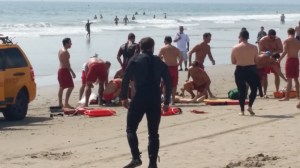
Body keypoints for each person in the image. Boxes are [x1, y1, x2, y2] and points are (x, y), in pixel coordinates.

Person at [120, 37, 172, 168]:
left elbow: (125, 79)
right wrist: (166, 101)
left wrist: (124, 98)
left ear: (140, 47)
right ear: (153, 47)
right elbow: (168, 82)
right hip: (155, 98)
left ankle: (136, 158)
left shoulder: (135, 59)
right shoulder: (159, 61)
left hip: (140, 97)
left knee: (131, 128)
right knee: (153, 133)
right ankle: (153, 164)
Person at [231, 30, 261, 116]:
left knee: (242, 90)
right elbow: (256, 60)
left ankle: (242, 110)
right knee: (254, 89)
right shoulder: (254, 47)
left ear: (240, 37)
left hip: (240, 69)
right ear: (248, 37)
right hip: (251, 69)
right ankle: (250, 106)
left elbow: (233, 61)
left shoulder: (235, 48)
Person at [158, 36, 183, 105]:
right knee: (174, 85)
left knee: (165, 84)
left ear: (165, 41)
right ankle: (172, 101)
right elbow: (181, 58)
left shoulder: (163, 48)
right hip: (174, 68)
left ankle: (165, 100)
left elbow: (158, 58)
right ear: (171, 41)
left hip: (167, 68)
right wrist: (178, 64)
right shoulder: (176, 49)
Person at [259, 29, 283, 97]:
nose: (273, 39)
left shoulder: (277, 39)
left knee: (277, 74)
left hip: (274, 58)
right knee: (264, 76)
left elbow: (281, 49)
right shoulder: (263, 40)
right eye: (271, 37)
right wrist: (266, 53)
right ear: (268, 35)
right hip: (265, 59)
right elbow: (260, 51)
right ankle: (265, 93)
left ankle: (277, 90)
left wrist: (274, 52)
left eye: (274, 37)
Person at [278, 28, 300, 101]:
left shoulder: (287, 41)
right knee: (296, 79)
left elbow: (285, 52)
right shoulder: (298, 41)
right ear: (294, 33)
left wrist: (279, 59)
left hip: (290, 60)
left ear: (288, 33)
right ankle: (298, 96)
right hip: (296, 60)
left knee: (289, 79)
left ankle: (287, 97)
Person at [57, 38, 76, 109]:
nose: (71, 44)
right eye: (70, 42)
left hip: (60, 70)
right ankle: (66, 103)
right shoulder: (65, 52)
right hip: (64, 70)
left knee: (62, 87)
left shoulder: (60, 50)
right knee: (71, 86)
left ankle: (60, 104)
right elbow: (67, 64)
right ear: (66, 43)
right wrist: (72, 72)